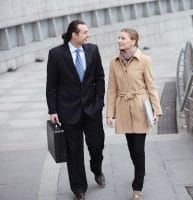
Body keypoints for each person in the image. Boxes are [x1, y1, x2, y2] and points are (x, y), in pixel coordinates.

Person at [46, 20, 105, 200]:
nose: (88, 35)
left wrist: (99, 101)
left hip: (92, 109)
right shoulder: (56, 54)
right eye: (85, 32)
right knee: (74, 150)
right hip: (68, 110)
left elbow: (99, 77)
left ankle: (97, 169)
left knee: (96, 145)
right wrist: (53, 110)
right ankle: (78, 188)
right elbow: (52, 85)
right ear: (74, 35)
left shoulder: (93, 50)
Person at [106, 28, 162, 200]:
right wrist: (110, 114)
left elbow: (151, 86)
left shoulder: (144, 60)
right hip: (123, 108)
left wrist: (157, 109)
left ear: (133, 41)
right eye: (119, 38)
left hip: (140, 107)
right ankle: (141, 170)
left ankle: (137, 186)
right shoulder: (114, 62)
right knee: (131, 149)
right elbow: (112, 89)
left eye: (123, 38)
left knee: (138, 149)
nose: (119, 41)